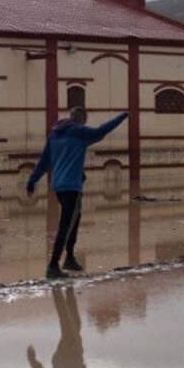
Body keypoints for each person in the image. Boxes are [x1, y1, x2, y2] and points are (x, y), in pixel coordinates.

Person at [26, 107, 129, 279]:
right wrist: (122, 116)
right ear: (81, 119)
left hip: (58, 185)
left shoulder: (54, 135)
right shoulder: (79, 132)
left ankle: (70, 258)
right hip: (71, 186)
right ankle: (53, 265)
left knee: (75, 217)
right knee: (66, 223)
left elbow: (44, 161)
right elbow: (101, 130)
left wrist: (31, 181)